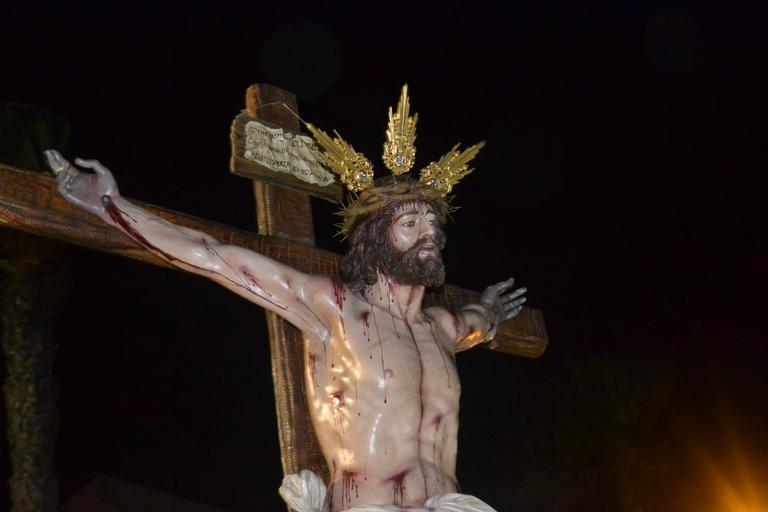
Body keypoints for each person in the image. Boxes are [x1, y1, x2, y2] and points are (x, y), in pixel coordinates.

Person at [43, 88, 527, 512]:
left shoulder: (441, 327)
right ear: (377, 239)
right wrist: (111, 206)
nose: (430, 236)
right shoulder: (336, 308)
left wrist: (490, 309)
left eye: (433, 225)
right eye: (411, 224)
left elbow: (480, 319)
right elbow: (210, 256)